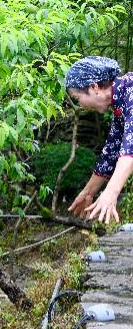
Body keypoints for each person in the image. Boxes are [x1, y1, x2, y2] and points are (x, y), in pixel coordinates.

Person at [66, 56, 133, 224]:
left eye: (77, 98)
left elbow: (130, 149)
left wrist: (110, 192)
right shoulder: (121, 101)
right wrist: (88, 192)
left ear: (94, 87)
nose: (81, 105)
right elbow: (111, 153)